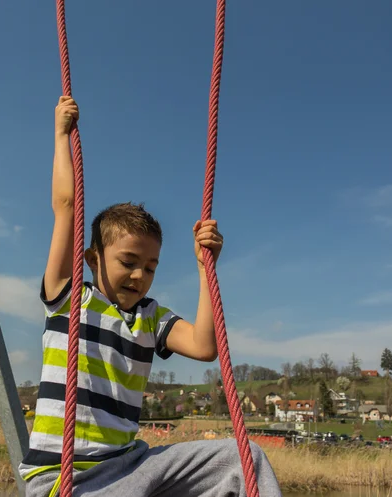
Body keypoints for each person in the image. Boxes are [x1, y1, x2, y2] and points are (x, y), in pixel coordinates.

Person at [19, 96, 282, 497]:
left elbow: (204, 346)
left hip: (131, 465)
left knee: (244, 460)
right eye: (128, 261)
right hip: (65, 477)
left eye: (151, 266)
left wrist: (203, 267)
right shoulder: (70, 299)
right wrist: (60, 134)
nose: (140, 275)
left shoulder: (150, 317)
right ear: (92, 259)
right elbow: (67, 207)